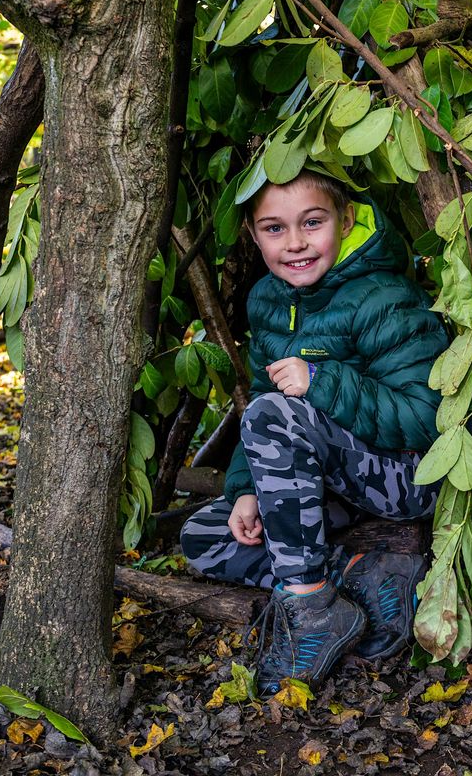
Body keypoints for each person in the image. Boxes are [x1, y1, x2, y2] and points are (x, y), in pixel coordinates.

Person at [179, 168, 447, 694]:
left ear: (345, 220)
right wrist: (248, 490)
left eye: (313, 222)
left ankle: (312, 609)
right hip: (329, 485)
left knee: (277, 414)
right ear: (254, 235)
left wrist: (321, 381)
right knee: (206, 537)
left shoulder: (384, 297)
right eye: (274, 229)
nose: (296, 243)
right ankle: (362, 571)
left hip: (407, 479)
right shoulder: (267, 300)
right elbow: (259, 397)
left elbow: (425, 419)